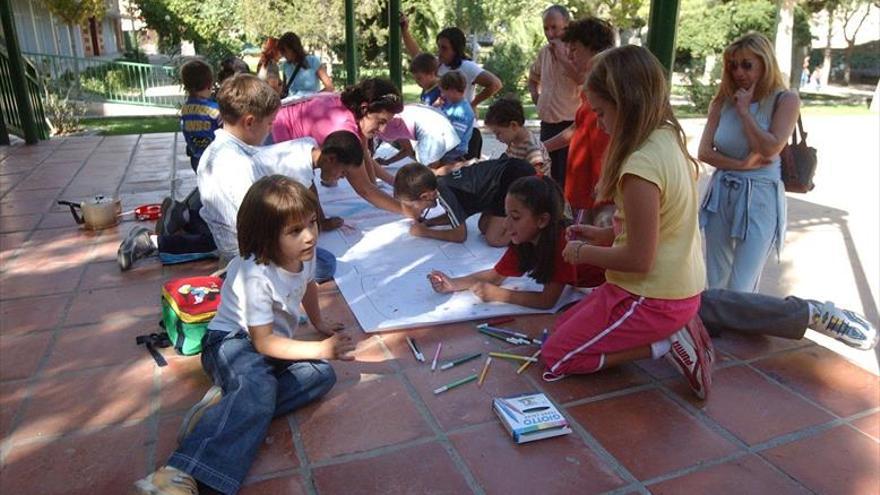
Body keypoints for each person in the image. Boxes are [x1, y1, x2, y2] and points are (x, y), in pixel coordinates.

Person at [133, 176, 356, 495]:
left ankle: (226, 408)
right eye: (295, 231)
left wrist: (318, 324)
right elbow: (262, 342)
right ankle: (179, 474)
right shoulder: (254, 274)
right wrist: (321, 347)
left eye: (312, 223)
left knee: (321, 375)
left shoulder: (303, 256)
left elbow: (307, 287)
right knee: (262, 385)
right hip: (230, 343)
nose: (310, 236)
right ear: (265, 236)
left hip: (268, 349)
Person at [543, 45, 714, 399]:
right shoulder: (664, 137)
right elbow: (655, 228)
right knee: (559, 330)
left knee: (557, 356)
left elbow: (639, 259)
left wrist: (583, 252)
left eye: (602, 113)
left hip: (652, 296)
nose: (600, 124)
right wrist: (604, 235)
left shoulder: (640, 167)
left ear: (626, 104)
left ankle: (666, 343)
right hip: (663, 290)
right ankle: (668, 332)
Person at [196, 75, 362, 281]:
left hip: (238, 244)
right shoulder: (237, 164)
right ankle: (234, 276)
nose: (271, 129)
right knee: (323, 264)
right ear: (249, 122)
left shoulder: (222, 151)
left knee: (314, 254)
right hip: (248, 255)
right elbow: (255, 226)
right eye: (269, 123)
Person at [698, 32, 800, 292]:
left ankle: (737, 329)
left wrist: (745, 113)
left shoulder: (785, 99)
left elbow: (769, 148)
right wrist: (741, 165)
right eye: (733, 65)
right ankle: (714, 331)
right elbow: (704, 152)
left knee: (742, 284)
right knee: (716, 277)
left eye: (747, 65)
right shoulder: (722, 100)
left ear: (764, 64)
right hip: (722, 191)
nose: (739, 72)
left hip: (760, 196)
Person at [428, 176, 604, 308]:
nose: (506, 224)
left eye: (515, 217)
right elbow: (496, 275)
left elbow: (547, 301)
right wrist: (453, 283)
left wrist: (500, 295)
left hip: (609, 285)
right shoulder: (524, 240)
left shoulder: (562, 244)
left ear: (542, 220)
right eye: (506, 215)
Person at [271, 78, 405, 211]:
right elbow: (365, 190)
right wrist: (410, 211)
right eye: (381, 122)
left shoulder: (354, 110)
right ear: (364, 109)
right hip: (273, 134)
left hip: (278, 121)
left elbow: (364, 155)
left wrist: (392, 183)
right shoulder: (342, 128)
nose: (383, 130)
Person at [542, 16, 615, 225]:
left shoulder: (610, 87)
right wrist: (542, 147)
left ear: (591, 47)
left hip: (604, 193)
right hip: (586, 192)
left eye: (574, 49)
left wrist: (607, 180)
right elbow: (578, 128)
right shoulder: (590, 88)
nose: (569, 54)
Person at [401, 15, 503, 158]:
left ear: (456, 49)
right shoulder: (437, 65)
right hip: (445, 133)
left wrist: (473, 104)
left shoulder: (467, 67)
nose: (439, 52)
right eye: (439, 47)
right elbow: (417, 55)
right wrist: (405, 31)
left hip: (466, 133)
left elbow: (495, 84)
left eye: (444, 48)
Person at [393, 157, 534, 246]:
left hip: (512, 178)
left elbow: (460, 235)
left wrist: (426, 232)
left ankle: (532, 230)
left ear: (425, 196)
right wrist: (430, 222)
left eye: (412, 205)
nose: (415, 209)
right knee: (483, 226)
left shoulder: (444, 193)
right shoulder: (441, 184)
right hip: (505, 177)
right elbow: (456, 216)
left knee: (494, 239)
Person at [528, 5, 583, 187]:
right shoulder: (544, 52)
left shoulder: (575, 52)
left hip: (569, 124)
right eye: (546, 28)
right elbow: (533, 77)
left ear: (566, 26)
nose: (549, 33)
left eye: (554, 27)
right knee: (545, 177)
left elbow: (582, 80)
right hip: (547, 124)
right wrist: (537, 98)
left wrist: (562, 57)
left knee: (565, 180)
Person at [375, 103, 461, 169]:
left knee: (428, 172)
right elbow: (407, 150)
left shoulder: (390, 124)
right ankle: (462, 165)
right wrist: (387, 162)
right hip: (439, 125)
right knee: (430, 168)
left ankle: (461, 166)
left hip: (433, 129)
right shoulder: (395, 121)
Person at [484, 97, 551, 177]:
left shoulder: (532, 148)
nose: (497, 138)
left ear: (513, 125)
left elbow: (537, 176)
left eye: (498, 133)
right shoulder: (513, 142)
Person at [180, 58, 222, 173]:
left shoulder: (185, 109)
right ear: (209, 84)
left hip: (196, 159)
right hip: (216, 159)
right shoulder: (216, 109)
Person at [277, 31, 334, 99]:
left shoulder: (313, 61)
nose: (282, 54)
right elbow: (284, 90)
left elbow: (330, 87)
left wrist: (312, 98)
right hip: (293, 106)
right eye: (281, 51)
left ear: (293, 48)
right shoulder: (286, 66)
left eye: (284, 50)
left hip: (311, 105)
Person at [438, 71, 474, 164]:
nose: (442, 95)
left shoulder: (462, 112)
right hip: (444, 147)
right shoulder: (448, 102)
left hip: (454, 153)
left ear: (453, 90)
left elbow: (454, 139)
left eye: (443, 91)